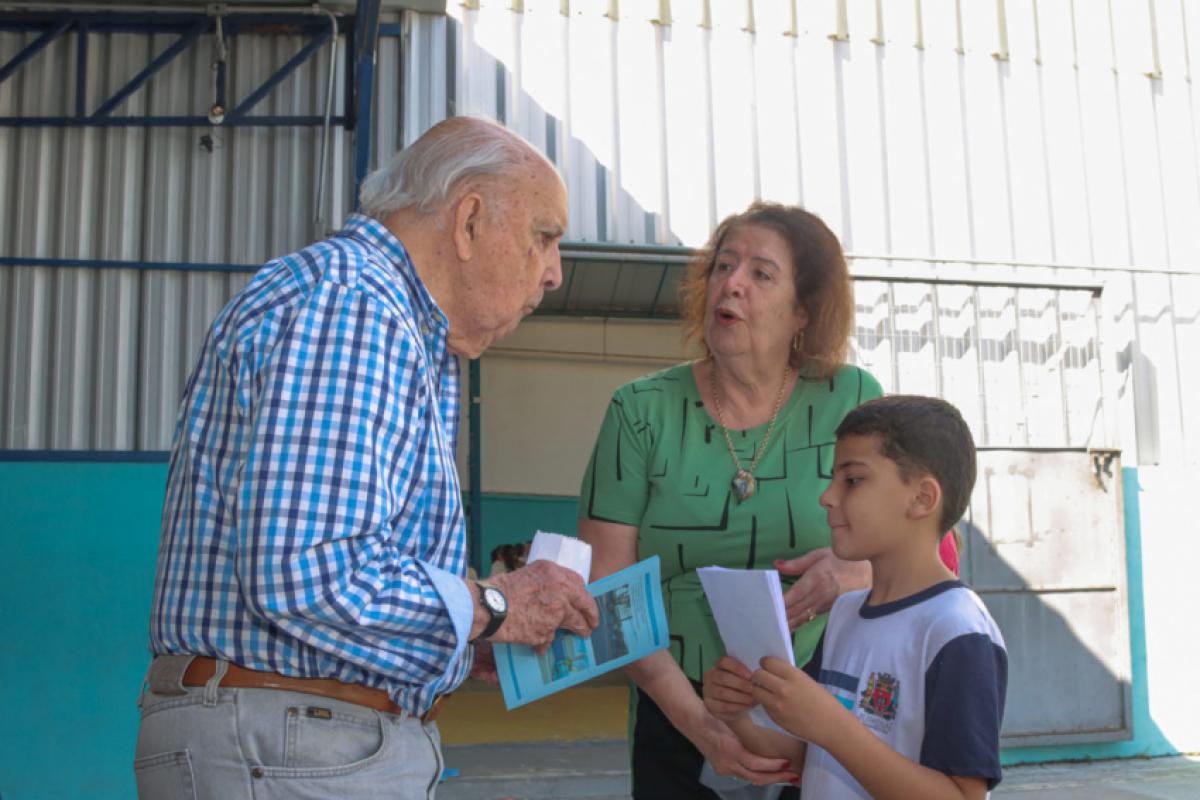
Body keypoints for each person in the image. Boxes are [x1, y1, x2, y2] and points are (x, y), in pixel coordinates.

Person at [134, 116, 599, 799]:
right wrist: (496, 605)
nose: (554, 273)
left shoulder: (369, 308)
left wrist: (456, 639)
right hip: (295, 742)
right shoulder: (356, 304)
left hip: (290, 736)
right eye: (544, 236)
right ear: (469, 221)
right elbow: (308, 570)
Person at [577, 202, 883, 796]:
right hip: (676, 703)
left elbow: (911, 542)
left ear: (803, 311)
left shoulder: (850, 398)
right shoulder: (640, 411)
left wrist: (858, 570)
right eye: (724, 265)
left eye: (761, 273)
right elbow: (607, 588)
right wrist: (699, 724)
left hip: (823, 699)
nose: (732, 283)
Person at [703, 395, 1008, 800]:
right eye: (832, 479)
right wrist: (737, 715)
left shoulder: (956, 630)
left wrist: (833, 727)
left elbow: (962, 795)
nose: (827, 497)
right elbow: (809, 758)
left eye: (852, 480)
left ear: (922, 498)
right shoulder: (846, 612)